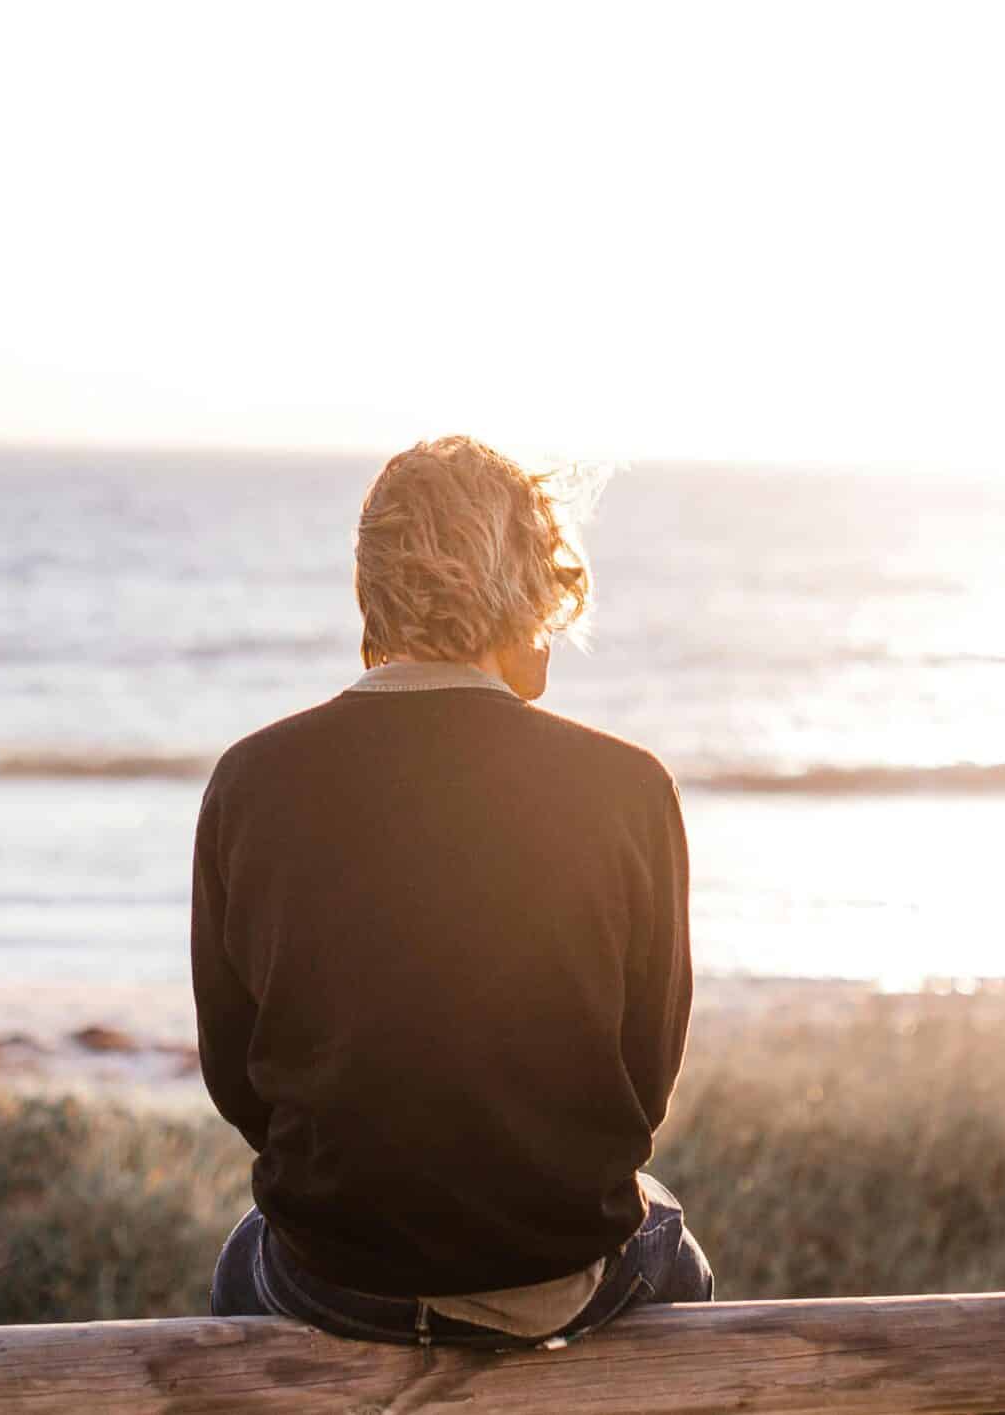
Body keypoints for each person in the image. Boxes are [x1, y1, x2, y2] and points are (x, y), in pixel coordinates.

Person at [192, 435, 711, 1348]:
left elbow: (238, 1079)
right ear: (527, 587)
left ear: (374, 593)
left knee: (242, 1260)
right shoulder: (629, 789)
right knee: (678, 1253)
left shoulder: (249, 781)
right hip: (554, 1271)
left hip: (336, 1275)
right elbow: (644, 1085)